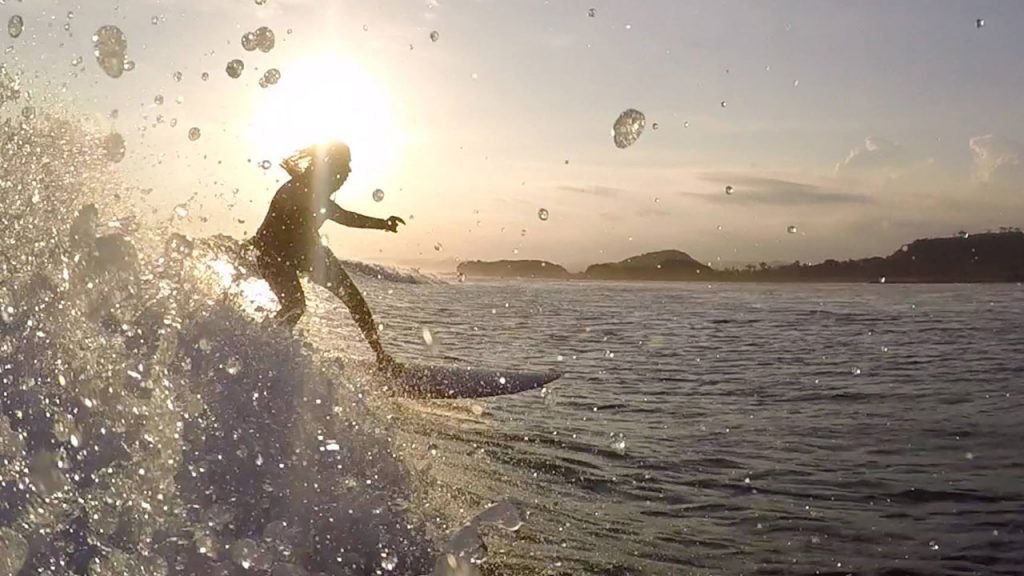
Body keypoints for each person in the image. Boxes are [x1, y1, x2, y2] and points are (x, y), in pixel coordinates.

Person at [250, 141, 405, 372]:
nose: (349, 171)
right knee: (295, 305)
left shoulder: (316, 194)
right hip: (273, 253)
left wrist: (382, 224)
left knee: (353, 299)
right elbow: (267, 235)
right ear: (329, 165)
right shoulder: (297, 190)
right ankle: (261, 350)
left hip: (306, 250)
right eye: (346, 164)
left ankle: (381, 358)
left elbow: (344, 216)